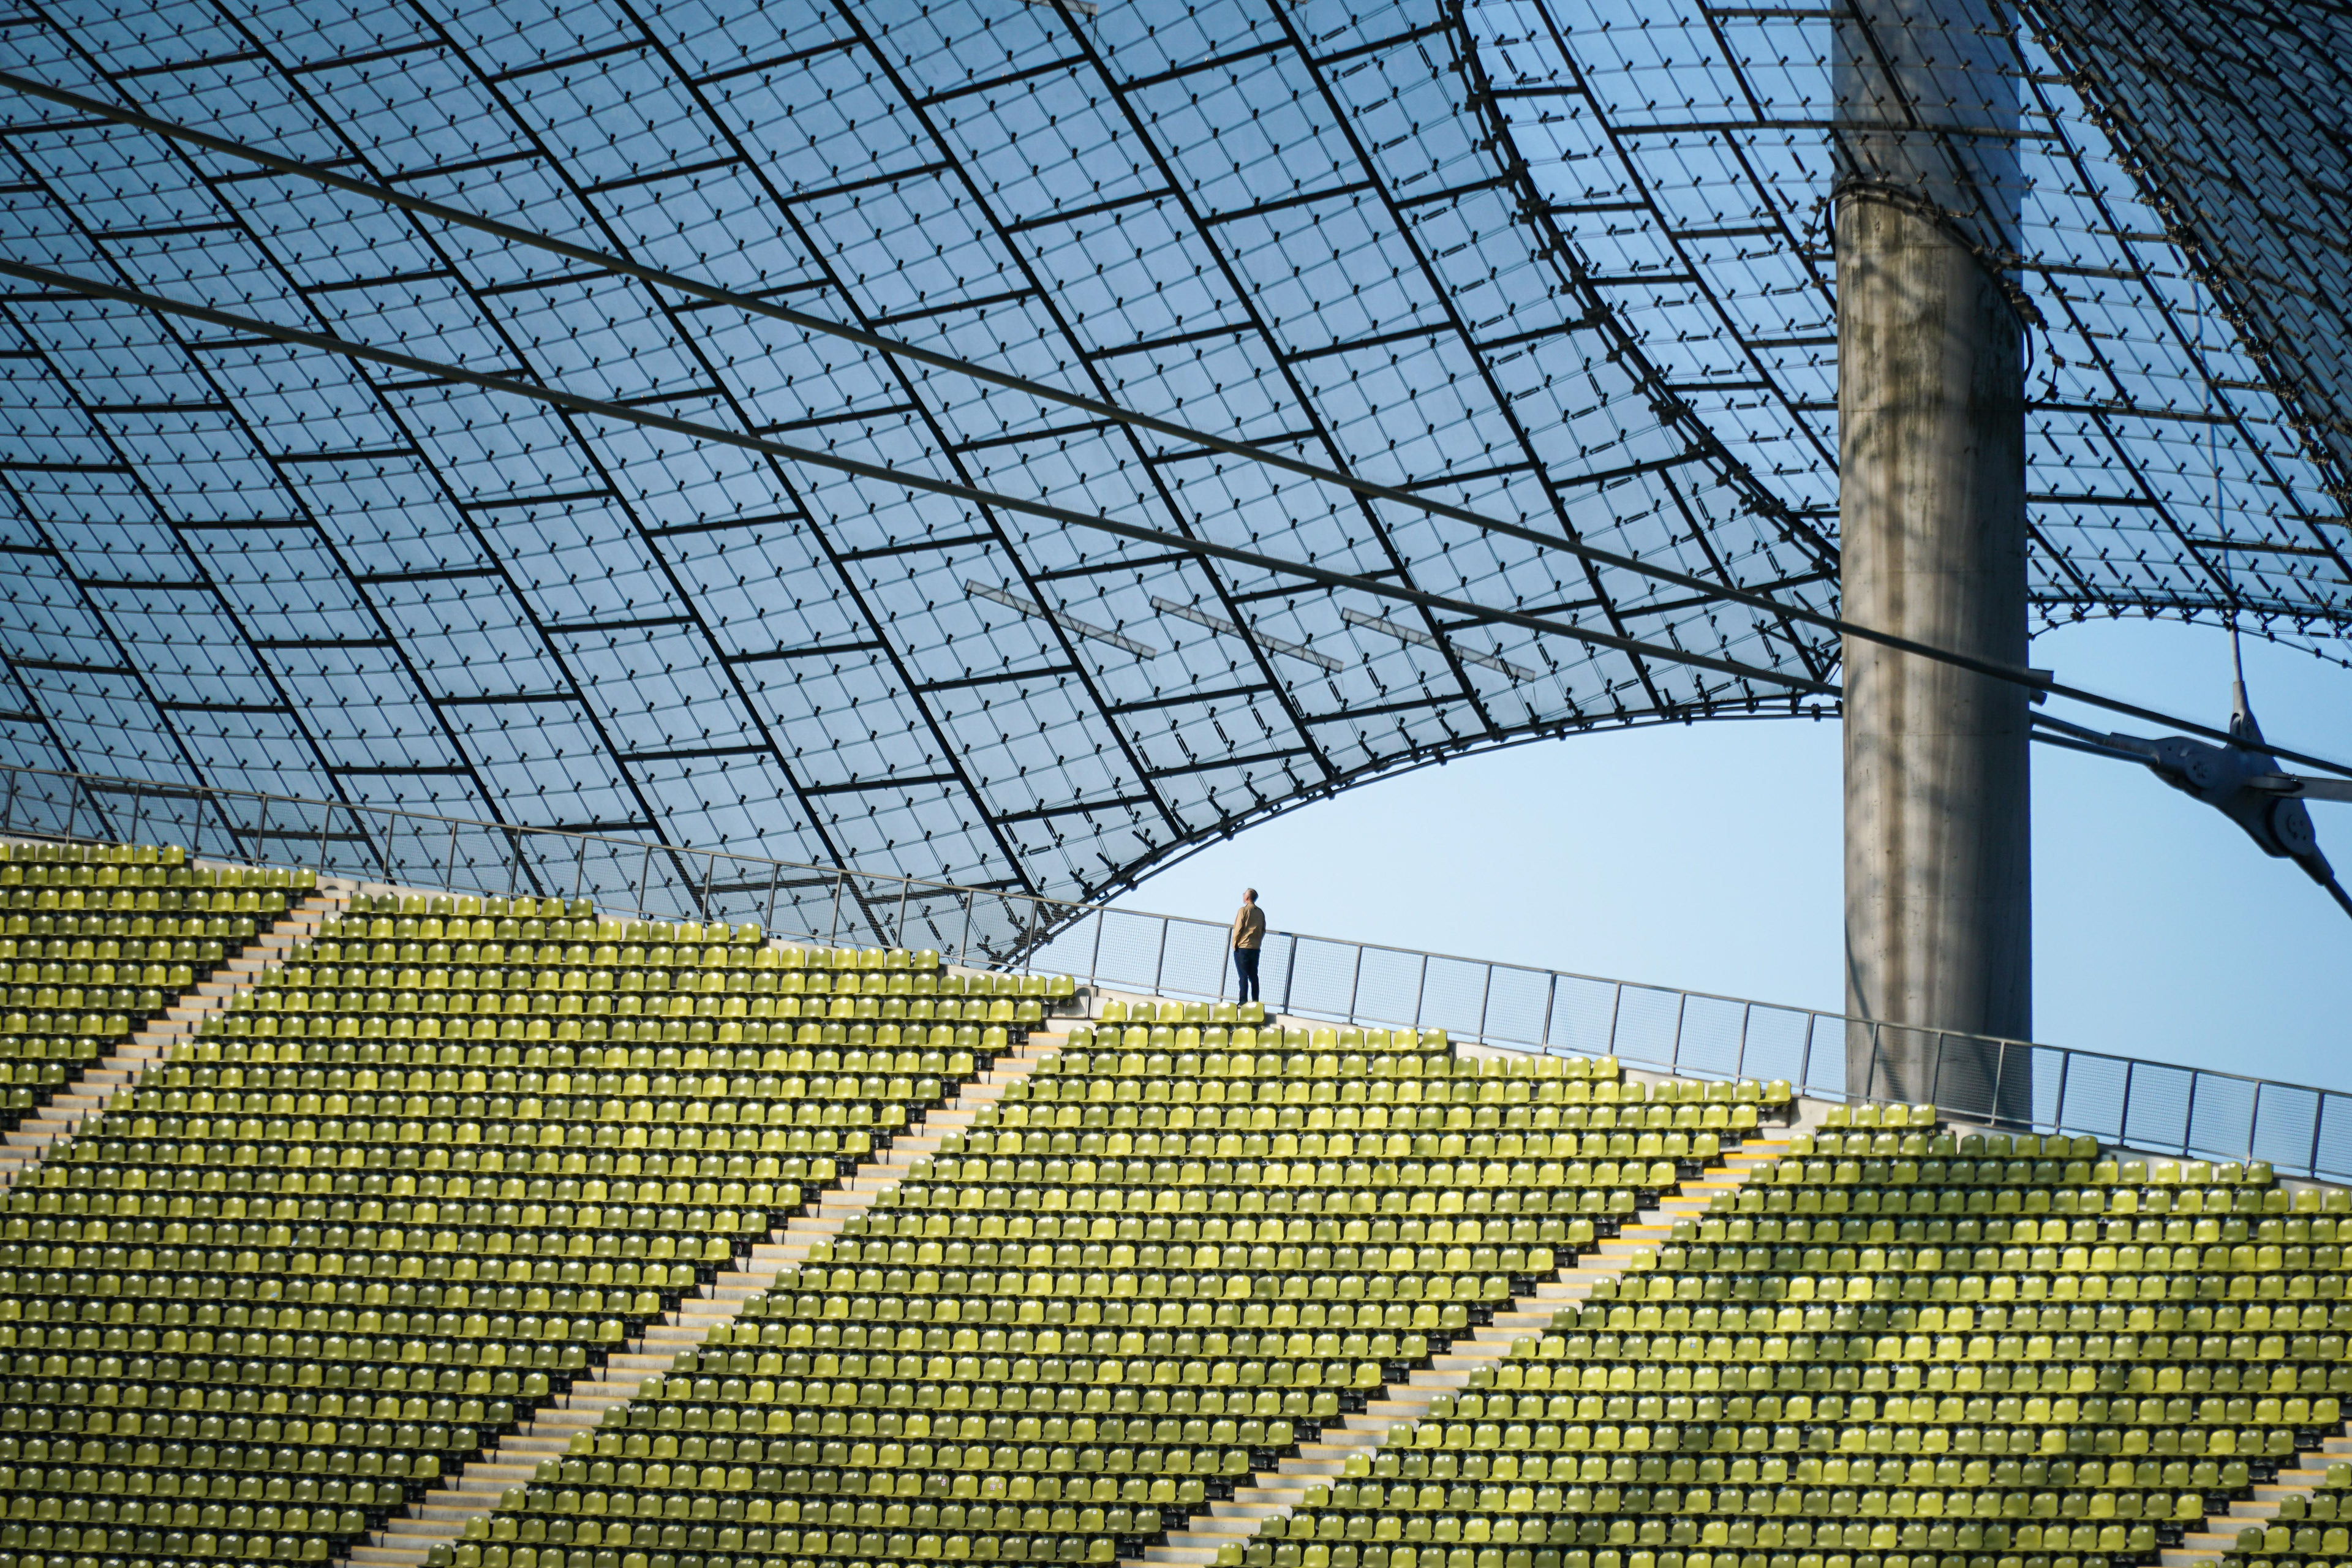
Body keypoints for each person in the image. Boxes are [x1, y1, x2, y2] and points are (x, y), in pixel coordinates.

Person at [1231, 888, 1266, 1004]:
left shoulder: (1243, 910)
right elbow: (1263, 929)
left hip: (1243, 947)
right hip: (1255, 947)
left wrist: (1235, 943)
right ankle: (1255, 1001)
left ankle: (1243, 1001)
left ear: (1247, 897)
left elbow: (1239, 928)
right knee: (1254, 976)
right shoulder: (1260, 912)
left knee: (1243, 975)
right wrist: (1258, 941)